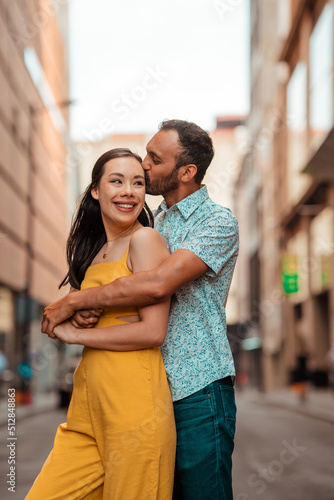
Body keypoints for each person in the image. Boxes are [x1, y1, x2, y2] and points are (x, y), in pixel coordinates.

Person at [42, 120, 239, 500]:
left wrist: (77, 301)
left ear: (186, 172)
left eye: (154, 158)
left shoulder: (216, 222)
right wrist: (94, 304)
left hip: (198, 390)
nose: (143, 165)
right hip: (147, 384)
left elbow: (155, 284)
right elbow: (124, 281)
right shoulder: (154, 221)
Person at [26, 148, 176, 500]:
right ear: (95, 189)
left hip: (134, 411)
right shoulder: (95, 252)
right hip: (86, 411)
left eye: (138, 182)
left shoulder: (145, 239)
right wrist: (80, 315)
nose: (128, 191)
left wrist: (76, 334)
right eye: (117, 181)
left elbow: (153, 331)